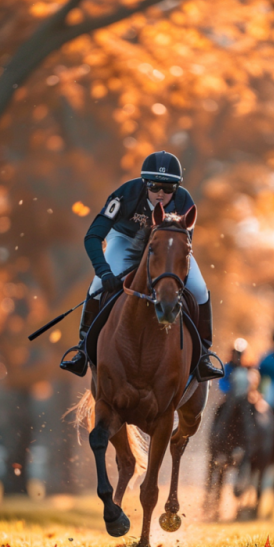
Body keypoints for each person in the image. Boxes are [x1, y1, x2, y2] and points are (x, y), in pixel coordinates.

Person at [61, 150, 222, 379]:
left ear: (176, 188)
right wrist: (104, 271)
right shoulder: (125, 194)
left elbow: (182, 250)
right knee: (97, 285)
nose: (160, 193)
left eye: (168, 188)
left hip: (166, 246)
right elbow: (93, 237)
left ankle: (204, 354)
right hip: (124, 239)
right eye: (155, 186)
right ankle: (83, 349)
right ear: (144, 183)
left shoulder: (185, 201)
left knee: (199, 289)